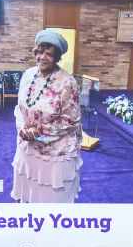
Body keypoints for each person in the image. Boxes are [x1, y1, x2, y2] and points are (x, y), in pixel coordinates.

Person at [12, 29, 82, 203]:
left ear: (57, 57)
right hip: (27, 146)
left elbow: (71, 121)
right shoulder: (27, 75)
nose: (42, 57)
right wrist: (22, 128)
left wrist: (39, 131)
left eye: (49, 54)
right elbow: (20, 108)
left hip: (55, 151)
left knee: (51, 198)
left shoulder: (67, 82)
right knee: (30, 194)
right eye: (40, 52)